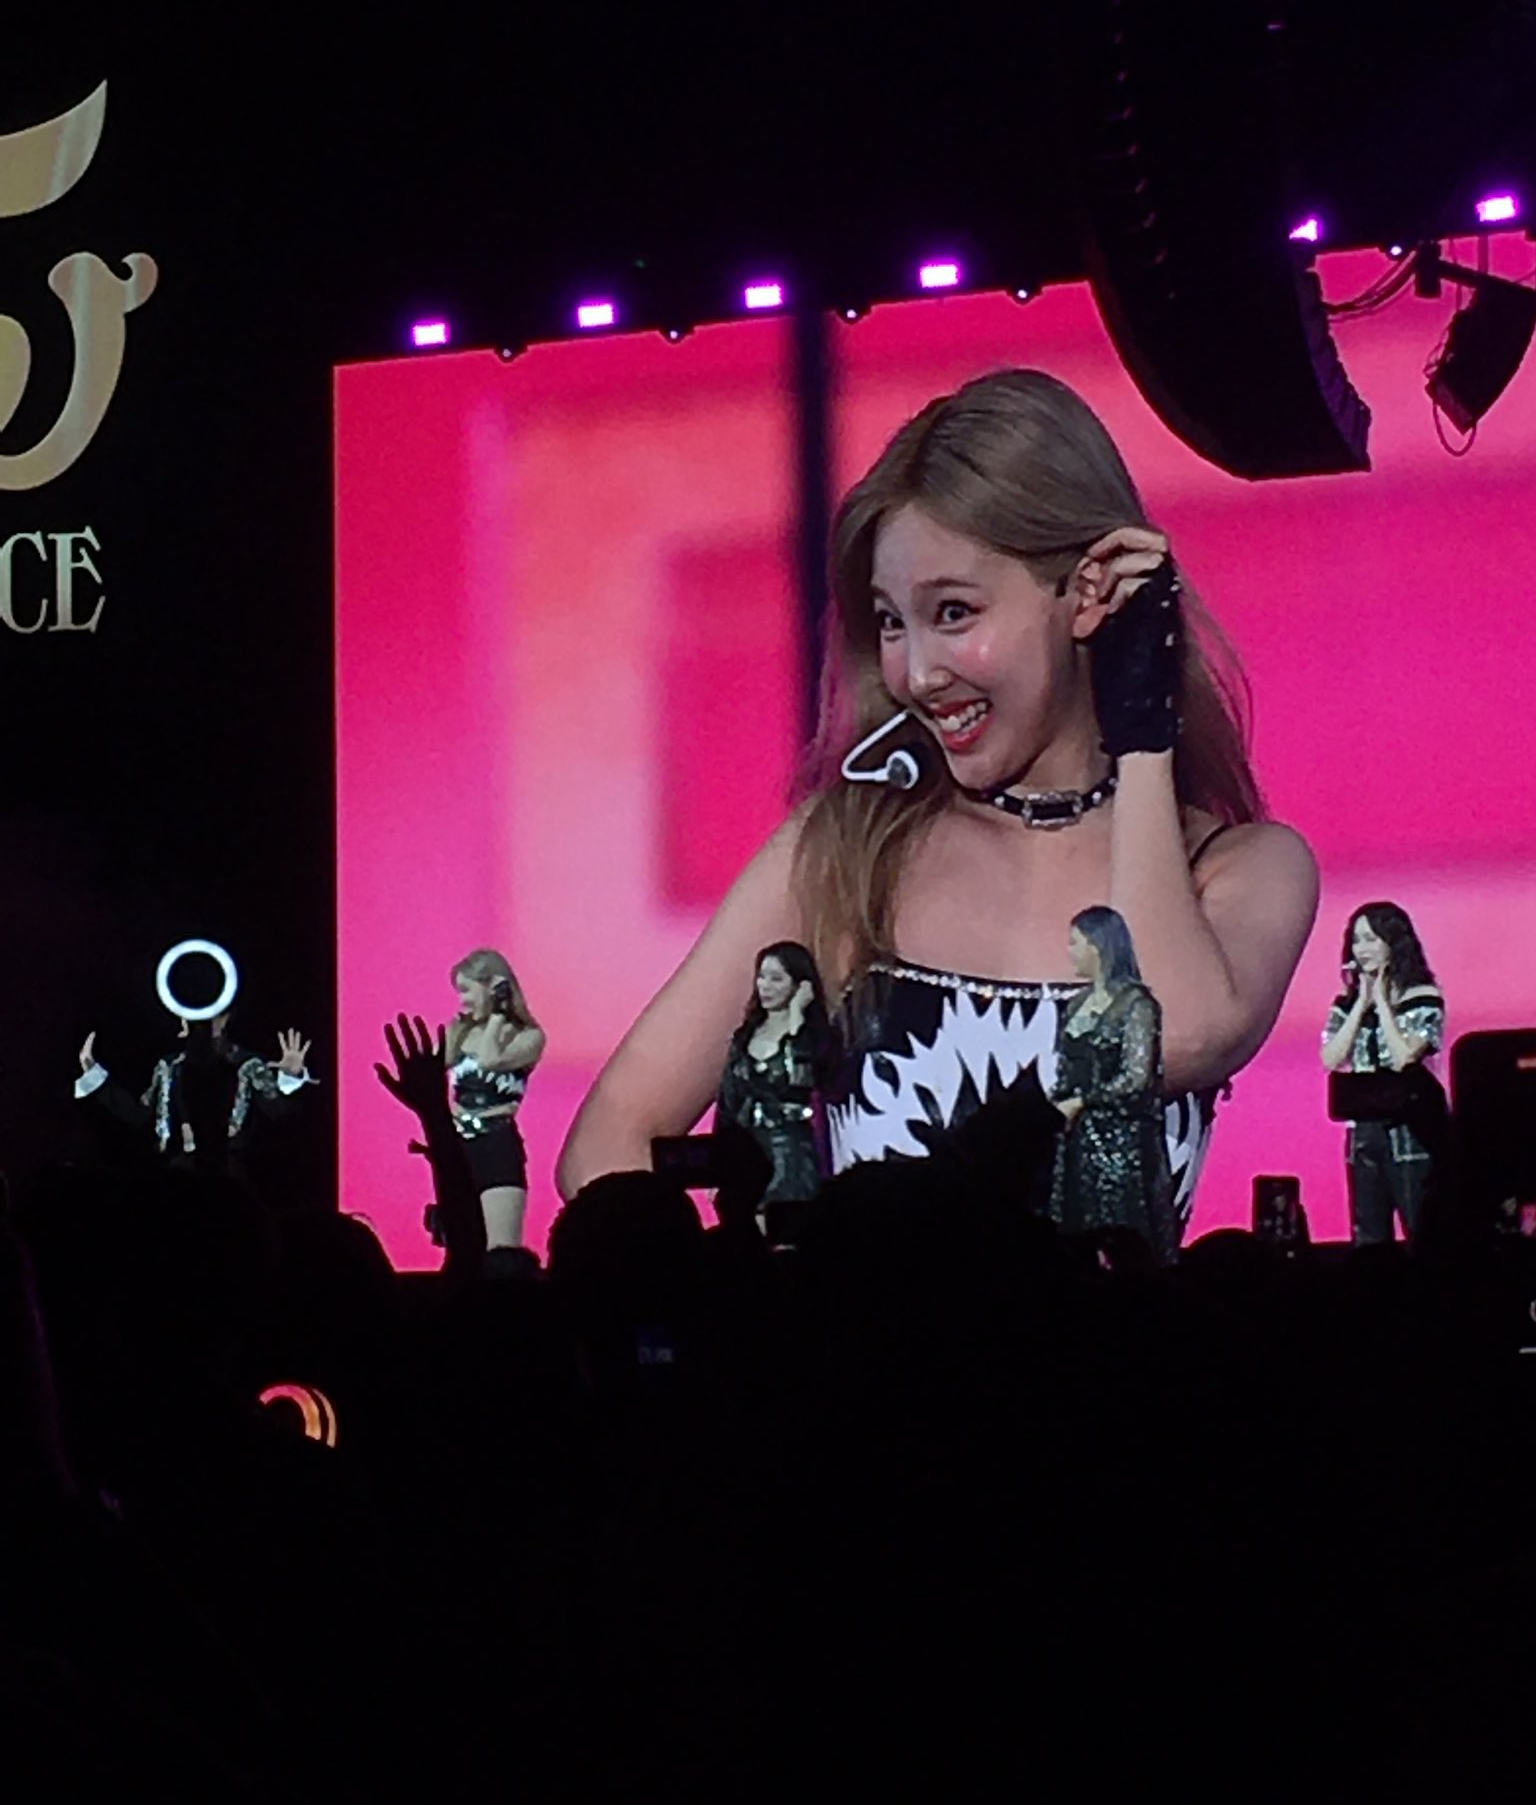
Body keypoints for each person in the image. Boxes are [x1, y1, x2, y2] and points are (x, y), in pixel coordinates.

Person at [557, 369, 1318, 1227]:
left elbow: (1171, 1037)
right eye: (891, 621)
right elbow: (610, 1141)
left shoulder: (1241, 868)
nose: (917, 674)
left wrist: (1144, 727)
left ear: (1089, 593)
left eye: (953, 612)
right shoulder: (846, 853)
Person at [1047, 906, 1178, 1265]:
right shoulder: (1076, 1004)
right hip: (1075, 1142)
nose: (1070, 951)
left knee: (1120, 1232)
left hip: (1121, 1143)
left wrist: (1083, 1102)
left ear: (1097, 945)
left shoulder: (1138, 1006)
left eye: (1075, 942)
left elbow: (1136, 1078)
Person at [1320, 903, 1445, 1245]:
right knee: (1368, 1231)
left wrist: (1383, 1004)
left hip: (1411, 1126)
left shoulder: (1422, 997)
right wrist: (1361, 1003)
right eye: (1356, 940)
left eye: (1372, 939)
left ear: (1393, 942)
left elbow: (1405, 1056)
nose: (1362, 949)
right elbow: (1331, 1058)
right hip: (1363, 1128)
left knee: (1421, 1224)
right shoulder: (1346, 1005)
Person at [75, 1012, 312, 1168]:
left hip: (226, 1175)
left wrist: (290, 1079)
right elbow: (139, 1114)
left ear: (225, 1018)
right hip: (173, 1175)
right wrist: (95, 1076)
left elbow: (279, 1113)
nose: (202, 1022)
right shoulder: (168, 1067)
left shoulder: (246, 1065)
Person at [713, 942, 833, 1206]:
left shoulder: (813, 1037)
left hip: (792, 1155)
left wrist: (796, 1018)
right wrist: (718, 1162)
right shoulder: (744, 1037)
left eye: (776, 979)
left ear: (800, 985)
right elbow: (728, 1102)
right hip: (747, 1154)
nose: (765, 986)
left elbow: (801, 1081)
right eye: (762, 977)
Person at [444, 948, 545, 1250]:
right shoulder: (460, 1032)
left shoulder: (527, 1036)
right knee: (460, 1247)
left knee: (501, 1248)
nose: (462, 1000)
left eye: (466, 990)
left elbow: (490, 1059)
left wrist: (499, 1015)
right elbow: (436, 1065)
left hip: (496, 1144)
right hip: (457, 1145)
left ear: (494, 986)